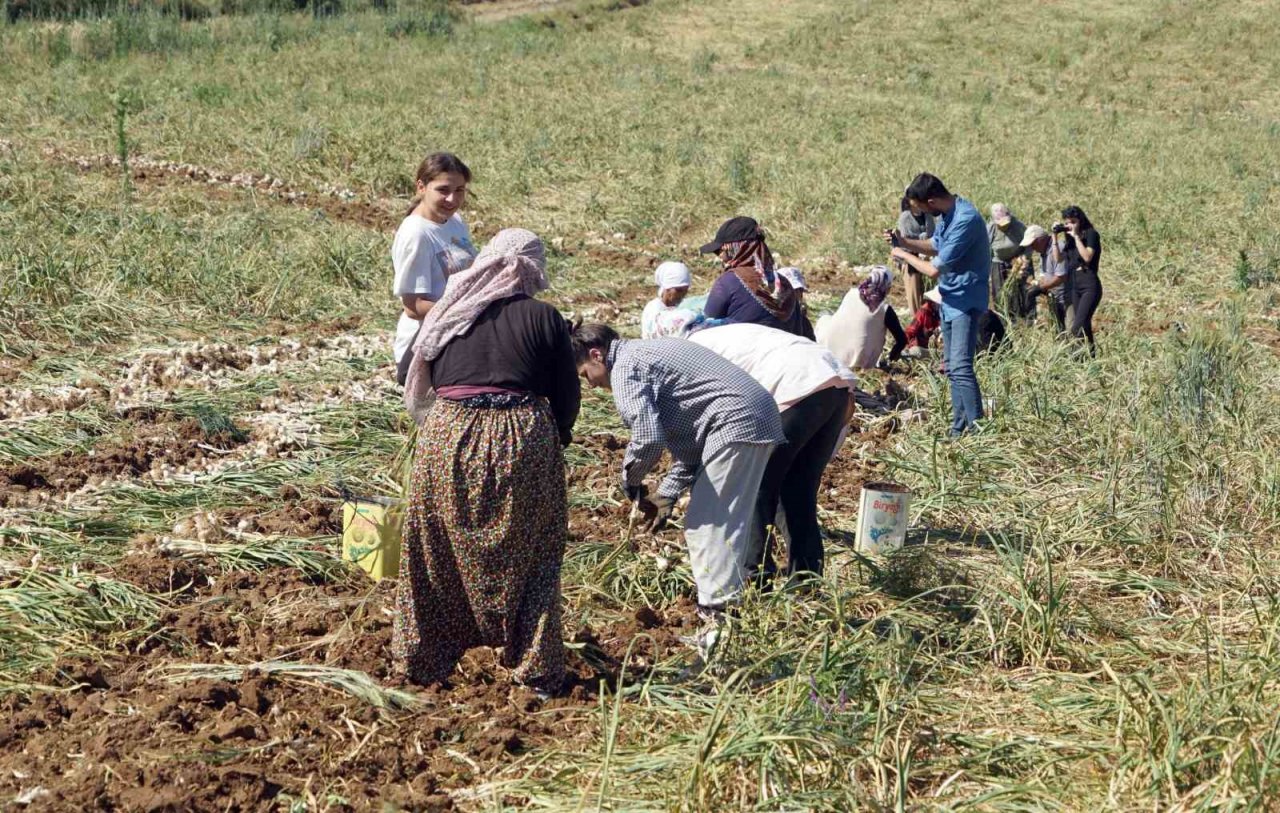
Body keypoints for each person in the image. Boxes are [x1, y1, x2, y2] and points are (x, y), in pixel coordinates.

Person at [396, 229, 580, 693]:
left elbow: (410, 370)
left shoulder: (451, 310)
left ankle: (423, 660)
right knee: (535, 552)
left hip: (448, 432)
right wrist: (558, 435)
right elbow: (565, 396)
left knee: (432, 549)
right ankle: (535, 671)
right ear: (532, 269)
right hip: (521, 434)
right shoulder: (544, 317)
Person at [571, 324, 786, 612]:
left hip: (736, 423)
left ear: (596, 355)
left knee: (708, 523)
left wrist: (631, 482)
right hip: (751, 419)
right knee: (723, 520)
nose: (590, 384)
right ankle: (729, 606)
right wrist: (667, 493)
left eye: (585, 374)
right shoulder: (643, 353)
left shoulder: (624, 367)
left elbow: (647, 437)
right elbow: (691, 449)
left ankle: (718, 617)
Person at [689, 323, 857, 579]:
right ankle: (806, 581)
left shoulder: (692, 351)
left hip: (794, 386)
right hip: (837, 387)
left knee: (756, 486)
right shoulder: (726, 337)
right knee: (799, 491)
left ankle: (755, 580)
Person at [888, 172, 990, 436]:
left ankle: (977, 431)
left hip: (966, 301)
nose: (918, 211)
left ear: (931, 201)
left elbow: (935, 269)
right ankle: (959, 429)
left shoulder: (966, 219)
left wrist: (903, 255)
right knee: (951, 369)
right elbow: (935, 245)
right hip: (949, 299)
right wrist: (903, 241)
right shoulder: (948, 214)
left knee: (961, 366)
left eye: (919, 206)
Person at [391, 153, 477, 381]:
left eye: (459, 190)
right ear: (421, 187)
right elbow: (412, 306)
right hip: (424, 343)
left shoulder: (454, 221)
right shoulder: (417, 234)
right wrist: (467, 310)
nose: (452, 199)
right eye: (443, 190)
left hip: (455, 331)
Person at [700, 216, 808, 336]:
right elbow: (799, 330)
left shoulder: (728, 281)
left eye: (719, 251)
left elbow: (707, 325)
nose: (719, 256)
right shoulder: (785, 283)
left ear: (735, 248)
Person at [814, 265, 908, 369]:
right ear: (888, 288)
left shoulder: (851, 293)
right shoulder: (885, 309)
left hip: (831, 353)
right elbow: (902, 340)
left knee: (825, 317)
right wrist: (890, 359)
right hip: (860, 363)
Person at [1056, 205, 1102, 354]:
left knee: (1078, 325)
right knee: (1085, 326)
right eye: (1068, 222)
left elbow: (1087, 257)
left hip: (1089, 283)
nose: (1071, 225)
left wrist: (1076, 237)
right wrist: (1054, 237)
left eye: (1074, 222)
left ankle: (1075, 357)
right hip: (1075, 284)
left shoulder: (1091, 234)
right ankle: (1091, 357)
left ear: (1081, 221)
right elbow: (1058, 259)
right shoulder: (1069, 240)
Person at [1020, 225, 1070, 333]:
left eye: (1033, 244)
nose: (1032, 247)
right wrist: (1037, 284)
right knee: (1058, 330)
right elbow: (1045, 274)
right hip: (1055, 298)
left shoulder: (1057, 249)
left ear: (1040, 239)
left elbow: (1061, 277)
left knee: (1069, 329)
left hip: (1066, 298)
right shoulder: (1043, 252)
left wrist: (1041, 288)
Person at [895, 195, 936, 315]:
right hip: (911, 260)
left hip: (928, 258)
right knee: (915, 295)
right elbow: (905, 241)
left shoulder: (928, 215)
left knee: (928, 293)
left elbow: (933, 235)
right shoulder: (905, 217)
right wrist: (921, 242)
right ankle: (917, 320)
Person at [640, 261, 701, 339]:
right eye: (678, 290)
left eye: (685, 290)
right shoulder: (653, 308)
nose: (682, 295)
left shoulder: (682, 306)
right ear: (667, 288)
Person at [987, 203, 1027, 316]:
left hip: (1017, 260)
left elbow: (1029, 244)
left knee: (1018, 291)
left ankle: (1020, 315)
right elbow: (985, 248)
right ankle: (1003, 315)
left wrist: (1022, 259)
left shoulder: (1018, 226)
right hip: (998, 261)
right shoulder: (990, 229)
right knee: (1000, 293)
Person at [902, 287, 943, 357]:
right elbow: (910, 331)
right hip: (921, 347)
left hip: (934, 349)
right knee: (917, 351)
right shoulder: (923, 312)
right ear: (934, 302)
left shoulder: (941, 314)